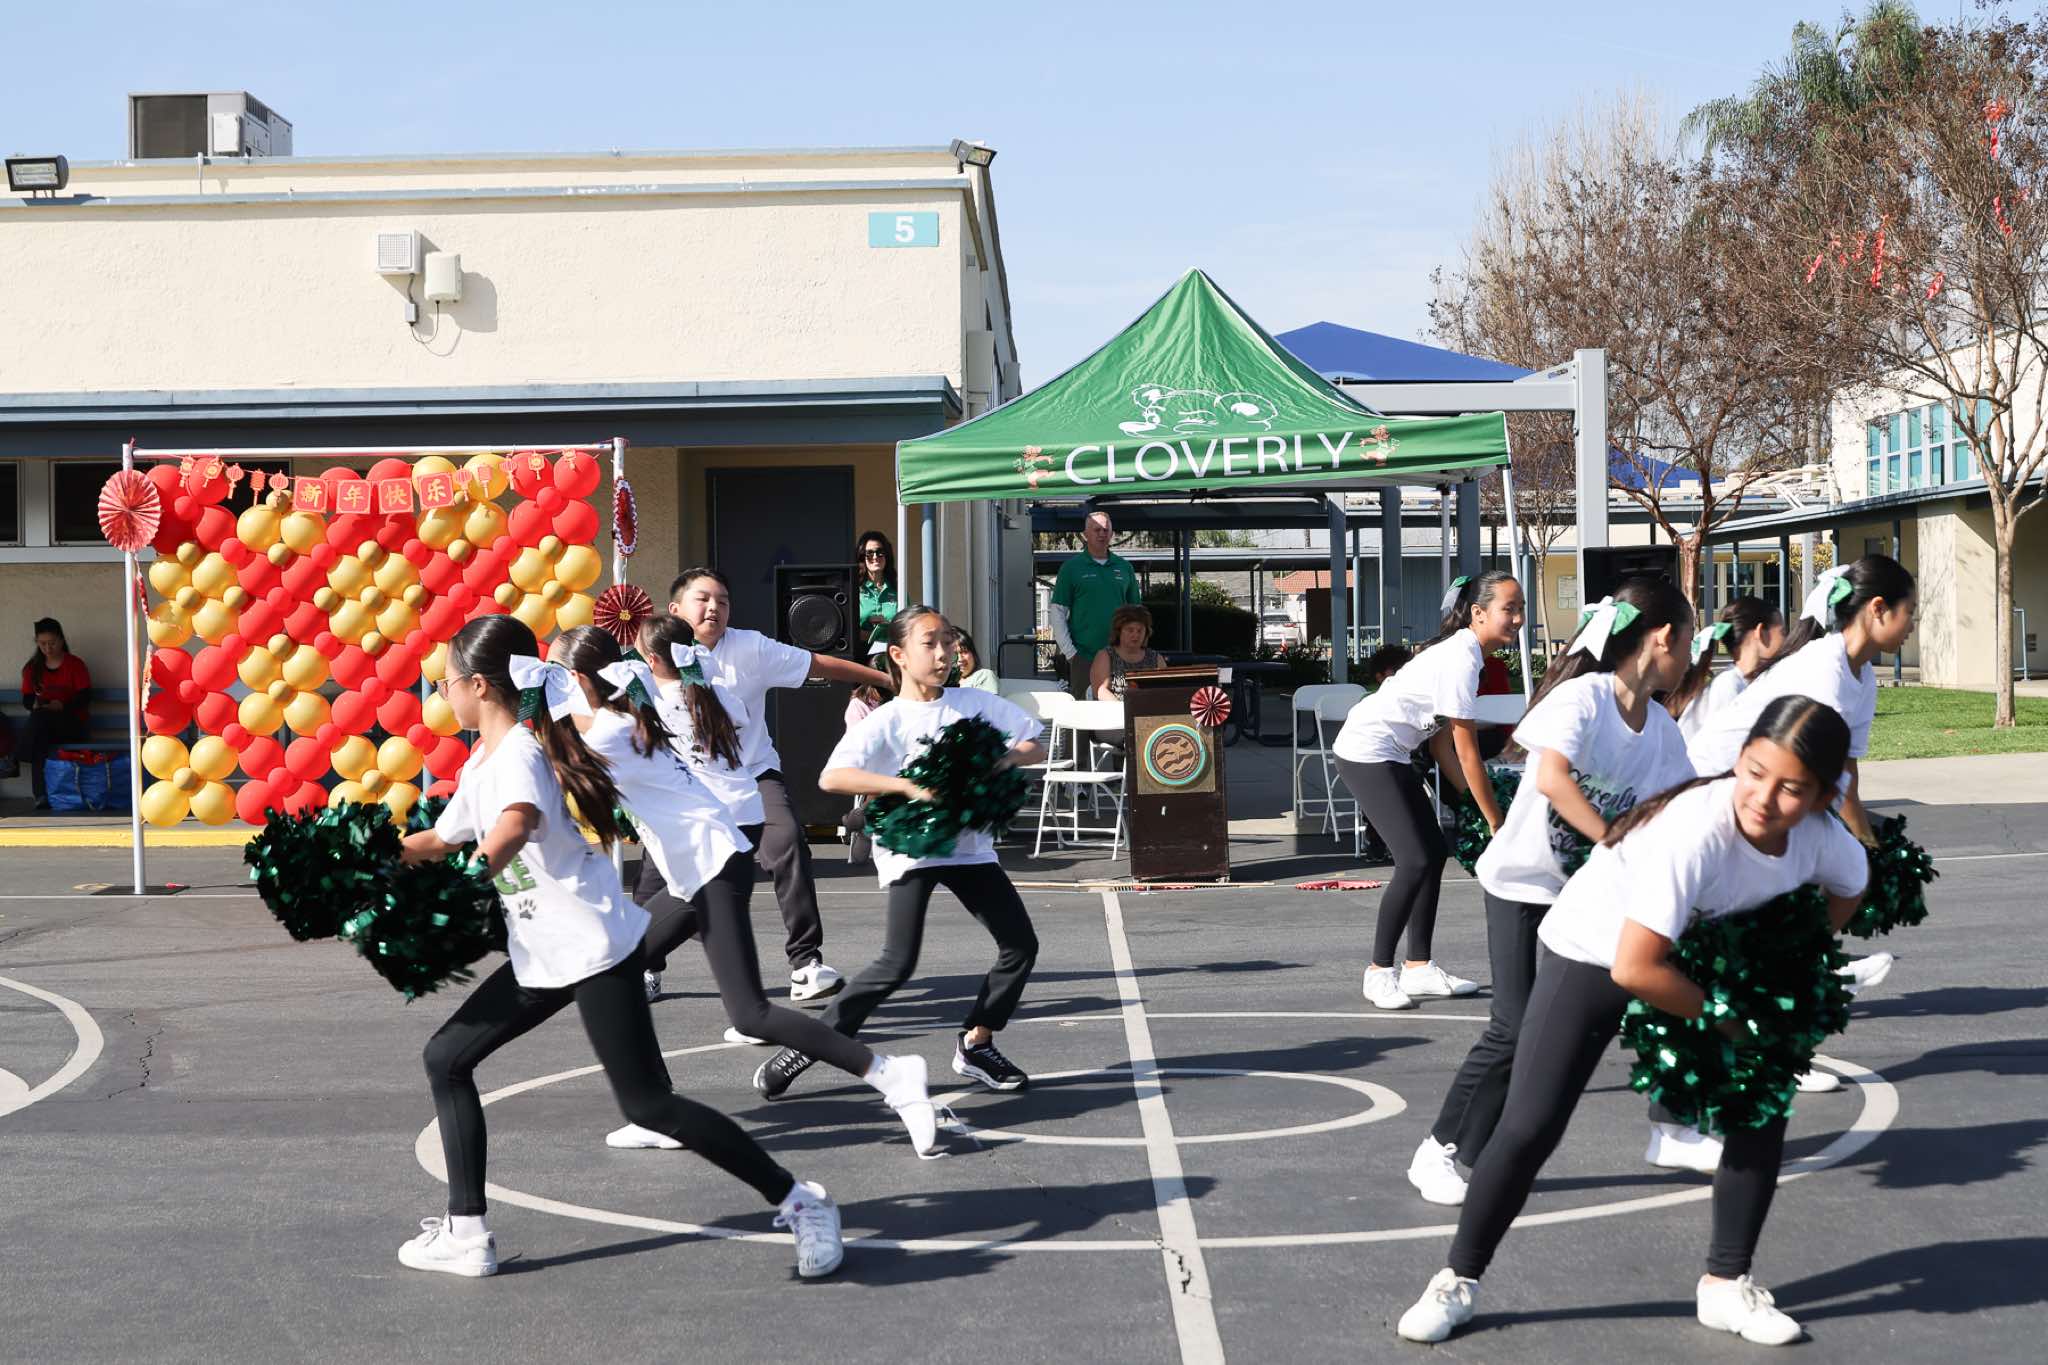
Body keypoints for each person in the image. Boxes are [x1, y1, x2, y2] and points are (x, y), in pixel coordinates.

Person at [1396, 696, 1869, 1347]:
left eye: (1791, 787)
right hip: (1597, 948)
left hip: (1694, 955)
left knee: (1760, 1104)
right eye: (1755, 771)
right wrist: (1733, 1019)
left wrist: (1784, 959)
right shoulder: (1696, 831)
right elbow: (1635, 967)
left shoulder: (1819, 838)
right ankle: (1457, 1277)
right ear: (1740, 759)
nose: (1764, 798)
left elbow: (1850, 887)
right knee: (1532, 1122)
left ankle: (1726, 1284)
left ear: (1823, 796)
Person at [395, 615, 844, 1281]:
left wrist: (464, 885)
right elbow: (439, 838)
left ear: (480, 686)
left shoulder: (520, 752)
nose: (443, 695)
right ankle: (466, 1233)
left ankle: (802, 1201)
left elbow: (514, 825)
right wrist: (360, 863)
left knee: (649, 1106)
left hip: (594, 945)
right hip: (546, 951)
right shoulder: (483, 760)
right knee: (446, 1058)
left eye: (445, 683)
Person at [548, 625, 939, 1158]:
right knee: (618, 970)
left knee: (749, 1014)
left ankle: (890, 1072)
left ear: (576, 679)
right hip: (701, 865)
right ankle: (655, 1110)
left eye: (555, 676)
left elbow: (556, 771)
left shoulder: (613, 728)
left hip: (711, 866)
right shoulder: (635, 703)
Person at [1406, 576, 1697, 1208]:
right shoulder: (1583, 700)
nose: (1692, 657)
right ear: (1663, 638)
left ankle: (1676, 1124)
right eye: (1690, 641)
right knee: (1513, 1028)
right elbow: (1554, 779)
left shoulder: (1662, 731)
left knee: (1659, 985)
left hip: (1584, 897)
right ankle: (1440, 1148)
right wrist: (1613, 839)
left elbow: (1686, 808)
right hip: (1520, 885)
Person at [755, 607, 1048, 1103]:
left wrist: (997, 761)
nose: (944, 653)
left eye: (949, 642)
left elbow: (1033, 744)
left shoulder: (974, 703)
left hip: (969, 849)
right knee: (896, 963)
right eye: (930, 643)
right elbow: (833, 777)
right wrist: (908, 787)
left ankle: (976, 1043)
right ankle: (811, 1045)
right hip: (912, 849)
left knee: (1020, 945)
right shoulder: (887, 719)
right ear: (899, 655)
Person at [668, 567, 894, 1003]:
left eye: (723, 601)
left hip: (753, 774)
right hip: (688, 783)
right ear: (676, 609)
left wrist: (884, 679)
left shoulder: (751, 648)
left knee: (787, 841)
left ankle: (806, 963)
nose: (714, 608)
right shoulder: (655, 654)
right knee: (661, 879)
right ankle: (647, 966)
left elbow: (817, 663)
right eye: (703, 599)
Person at [1331, 571, 1526, 1010]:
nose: (1517, 618)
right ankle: (1379, 971)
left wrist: (1469, 802)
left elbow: (1440, 744)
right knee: (1414, 859)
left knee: (1434, 852)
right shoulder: (1461, 660)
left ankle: (1418, 966)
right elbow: (1467, 752)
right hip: (1366, 751)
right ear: (1478, 613)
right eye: (1508, 609)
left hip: (1393, 752)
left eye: (1521, 609)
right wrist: (1495, 819)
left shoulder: (1468, 654)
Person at [1664, 596, 1785, 744]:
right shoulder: (1729, 686)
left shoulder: (1738, 682)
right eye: (1782, 632)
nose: (1786, 639)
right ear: (1760, 632)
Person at [1050, 510, 1141, 699]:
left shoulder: (1124, 567)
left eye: (1105, 530)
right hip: (1084, 657)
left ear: (1111, 533)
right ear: (1085, 534)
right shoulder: (1071, 569)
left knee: (1121, 709)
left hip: (1121, 656)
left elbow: (1137, 614)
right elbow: (1057, 612)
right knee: (1085, 713)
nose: (1101, 534)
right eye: (1096, 529)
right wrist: (1071, 654)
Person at [18, 618, 91, 810]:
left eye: (52, 643)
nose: (48, 648)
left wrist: (63, 706)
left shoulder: (74, 664)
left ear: (61, 640)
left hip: (71, 723)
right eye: (42, 644)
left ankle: (16, 759)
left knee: (39, 725)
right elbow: (27, 699)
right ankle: (41, 797)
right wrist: (35, 704)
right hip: (43, 725)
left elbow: (85, 697)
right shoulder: (32, 668)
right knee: (39, 736)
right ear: (36, 642)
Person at [1089, 603, 1166, 700]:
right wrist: (1121, 707)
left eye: (1140, 631)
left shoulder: (1156, 658)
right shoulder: (1105, 656)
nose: (1135, 635)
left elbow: (1165, 690)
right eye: (1130, 630)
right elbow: (1100, 691)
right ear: (1119, 631)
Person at [855, 529, 899, 649]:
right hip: (860, 653)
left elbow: (906, 627)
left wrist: (887, 625)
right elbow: (848, 631)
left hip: (891, 652)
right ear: (862, 558)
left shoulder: (898, 590)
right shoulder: (855, 590)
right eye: (869, 553)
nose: (875, 557)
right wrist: (873, 635)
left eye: (880, 552)